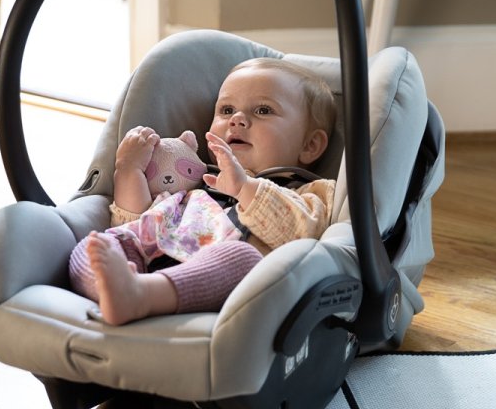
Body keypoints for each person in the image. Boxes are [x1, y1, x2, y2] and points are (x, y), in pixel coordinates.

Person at [67, 57, 338, 325]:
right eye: (227, 110)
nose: (238, 119)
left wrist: (244, 187)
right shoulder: (195, 180)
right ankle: (114, 291)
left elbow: (301, 234)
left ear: (310, 145)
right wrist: (128, 171)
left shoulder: (311, 191)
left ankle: (142, 295)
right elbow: (137, 222)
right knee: (98, 244)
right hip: (151, 263)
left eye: (263, 110)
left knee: (242, 259)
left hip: (225, 282)